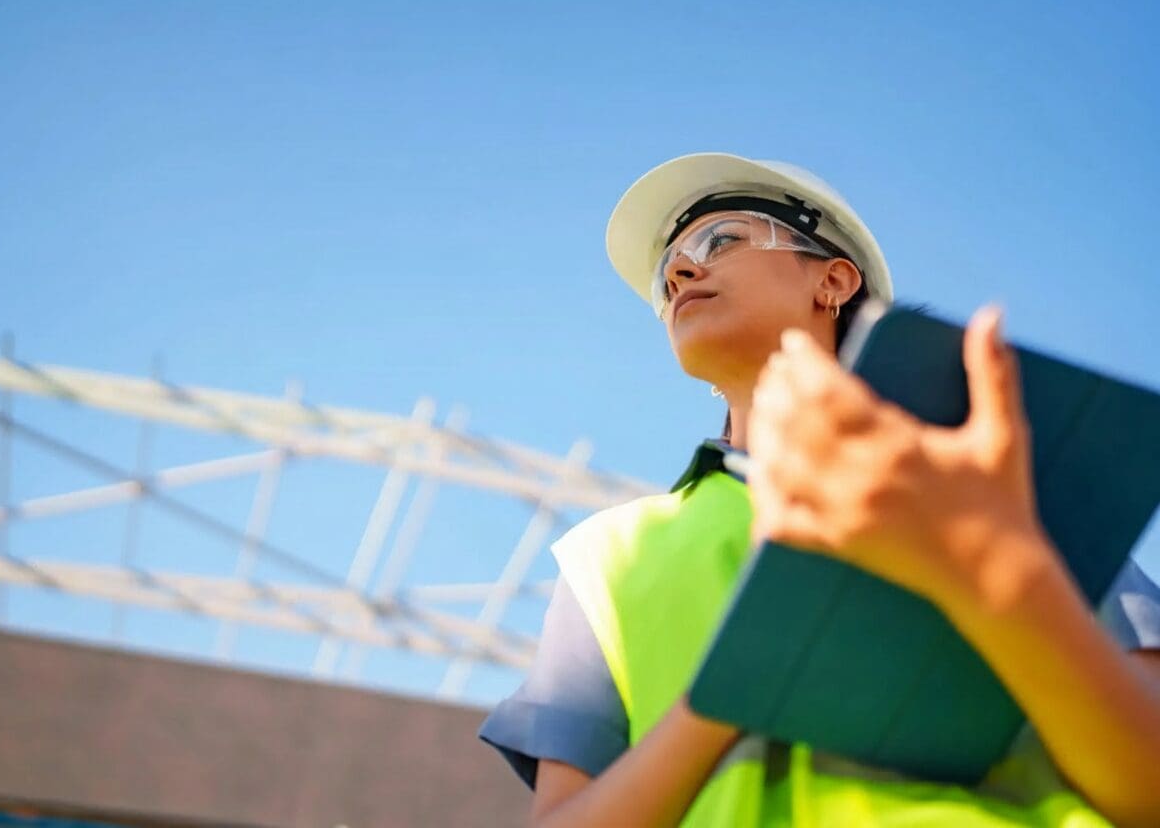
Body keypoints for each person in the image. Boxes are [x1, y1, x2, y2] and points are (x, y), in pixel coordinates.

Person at [479, 153, 1160, 827]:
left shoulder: (993, 481)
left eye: (720, 241)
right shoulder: (606, 557)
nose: (681, 271)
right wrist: (721, 697)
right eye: (669, 271)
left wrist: (997, 567)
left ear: (833, 280)